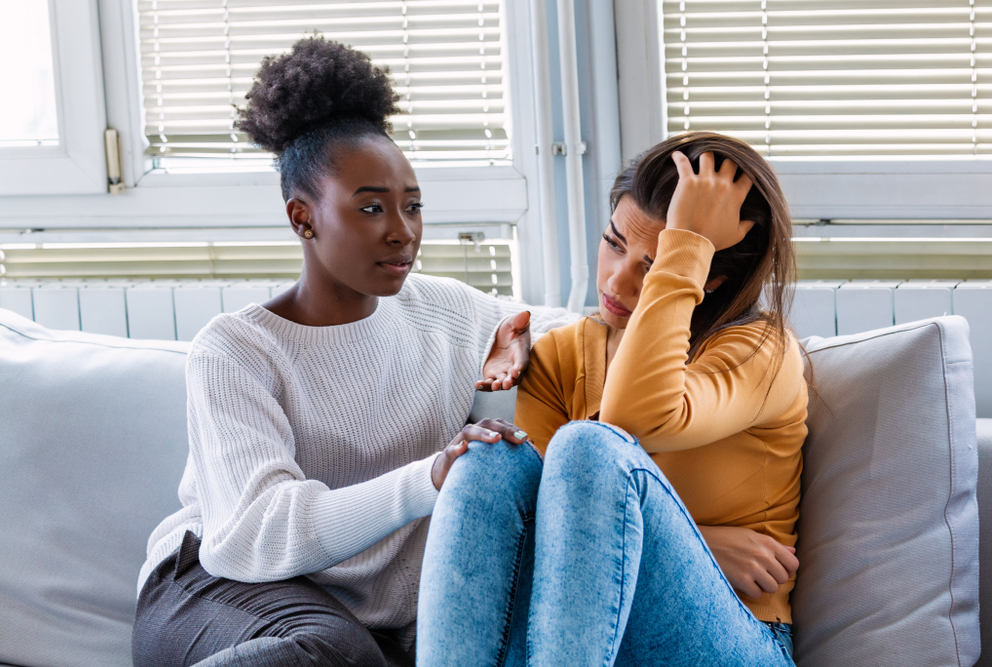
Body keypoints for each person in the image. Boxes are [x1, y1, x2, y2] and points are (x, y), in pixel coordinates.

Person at [131, 37, 573, 667]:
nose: (403, 231)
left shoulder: (446, 311)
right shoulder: (236, 350)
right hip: (216, 587)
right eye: (371, 207)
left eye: (412, 206)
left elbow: (571, 327)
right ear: (302, 217)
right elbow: (255, 532)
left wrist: (518, 335)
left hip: (362, 623)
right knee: (333, 652)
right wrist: (429, 478)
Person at [416, 132, 807, 666]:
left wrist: (688, 240)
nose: (616, 281)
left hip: (735, 637)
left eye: (653, 263)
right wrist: (705, 544)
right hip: (587, 636)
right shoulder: (562, 357)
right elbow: (533, 536)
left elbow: (629, 421)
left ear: (706, 277)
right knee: (488, 460)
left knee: (588, 448)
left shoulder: (758, 352)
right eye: (614, 242)